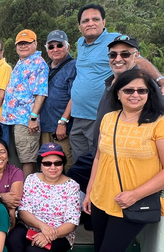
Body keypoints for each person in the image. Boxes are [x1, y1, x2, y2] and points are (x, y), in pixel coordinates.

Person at [83, 69, 164, 252]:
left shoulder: (158, 122)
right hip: (101, 199)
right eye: (129, 90)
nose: (135, 94)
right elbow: (99, 157)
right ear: (118, 93)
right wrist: (89, 191)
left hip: (131, 204)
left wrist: (135, 194)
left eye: (142, 90)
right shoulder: (109, 119)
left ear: (150, 94)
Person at [76, 35, 142, 252]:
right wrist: (91, 189)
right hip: (100, 158)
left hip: (125, 171)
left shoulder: (139, 88)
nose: (118, 59)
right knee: (73, 178)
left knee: (112, 248)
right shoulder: (110, 83)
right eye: (113, 54)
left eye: (125, 54)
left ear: (136, 56)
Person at [69, 3, 164, 162]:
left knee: (102, 160)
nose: (90, 23)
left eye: (95, 19)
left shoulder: (114, 41)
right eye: (85, 21)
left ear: (104, 22)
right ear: (79, 26)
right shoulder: (80, 43)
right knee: (82, 163)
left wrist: (160, 80)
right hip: (78, 115)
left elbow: (139, 61)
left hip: (102, 115)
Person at [7, 142, 80, 252]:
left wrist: (49, 234)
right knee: (13, 239)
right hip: (32, 228)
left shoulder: (72, 186)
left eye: (57, 163)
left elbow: (72, 222)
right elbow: (23, 211)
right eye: (47, 163)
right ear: (40, 164)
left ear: (63, 164)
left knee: (34, 250)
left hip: (61, 235)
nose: (53, 167)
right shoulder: (32, 179)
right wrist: (42, 227)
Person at [1, 29, 48, 178]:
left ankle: (27, 191)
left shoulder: (38, 63)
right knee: (20, 155)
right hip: (13, 118)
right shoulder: (22, 61)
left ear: (35, 43)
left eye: (27, 43)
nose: (23, 46)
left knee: (28, 158)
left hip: (26, 120)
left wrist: (33, 118)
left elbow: (41, 92)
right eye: (20, 44)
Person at [40, 30, 76, 172]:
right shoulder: (44, 68)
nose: (55, 49)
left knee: (65, 162)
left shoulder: (73, 66)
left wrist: (63, 122)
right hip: (45, 125)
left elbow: (75, 97)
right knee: (47, 162)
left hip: (62, 127)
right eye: (51, 46)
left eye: (59, 45)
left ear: (67, 47)